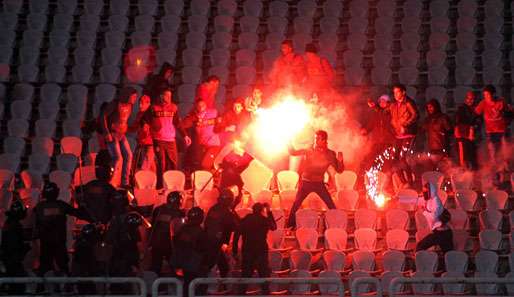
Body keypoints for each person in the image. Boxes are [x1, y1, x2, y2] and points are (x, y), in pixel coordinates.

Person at [287, 130, 344, 228]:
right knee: (296, 204)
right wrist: (288, 141)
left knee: (331, 205)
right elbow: (293, 152)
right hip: (306, 183)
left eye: (317, 139)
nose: (315, 141)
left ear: (324, 140)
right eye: (315, 138)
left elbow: (339, 170)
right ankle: (290, 225)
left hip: (319, 184)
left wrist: (340, 161)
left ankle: (335, 225)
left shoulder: (330, 154)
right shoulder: (309, 150)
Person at [33, 182, 91, 277]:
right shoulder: (61, 205)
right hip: (59, 241)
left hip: (45, 242)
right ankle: (68, 287)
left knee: (44, 267)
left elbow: (36, 225)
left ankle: (40, 288)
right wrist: (82, 206)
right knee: (63, 266)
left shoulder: (39, 207)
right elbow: (79, 214)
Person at [369, 84, 418, 187]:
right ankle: (403, 182)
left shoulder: (409, 103)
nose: (395, 94)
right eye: (394, 92)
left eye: (397, 92)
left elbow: (415, 115)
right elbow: (383, 111)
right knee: (393, 158)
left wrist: (405, 125)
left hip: (407, 134)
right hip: (398, 135)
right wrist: (374, 106)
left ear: (403, 92)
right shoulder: (393, 105)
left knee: (402, 157)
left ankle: (410, 182)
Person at [143, 88, 191, 188]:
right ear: (161, 96)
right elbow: (144, 120)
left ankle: (173, 186)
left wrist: (185, 135)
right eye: (167, 96)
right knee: (161, 164)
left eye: (170, 96)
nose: (169, 98)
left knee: (174, 163)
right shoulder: (153, 108)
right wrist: (146, 127)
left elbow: (178, 123)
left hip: (170, 140)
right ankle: (160, 187)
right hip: (158, 139)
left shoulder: (173, 108)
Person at [233, 203, 277, 295]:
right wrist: (269, 212)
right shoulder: (264, 220)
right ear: (261, 210)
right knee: (264, 278)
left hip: (248, 250)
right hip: (261, 251)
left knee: (245, 277)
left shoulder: (245, 220)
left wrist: (235, 251)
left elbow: (236, 235)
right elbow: (274, 227)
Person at [101, 86, 138, 188]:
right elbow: (103, 116)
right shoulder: (115, 104)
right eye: (133, 97)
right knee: (118, 158)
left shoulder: (130, 106)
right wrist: (106, 132)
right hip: (113, 134)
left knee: (129, 155)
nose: (135, 99)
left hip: (122, 135)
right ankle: (112, 182)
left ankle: (124, 182)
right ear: (127, 96)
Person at [172, 207, 209, 297]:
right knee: (200, 285)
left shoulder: (182, 229)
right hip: (193, 263)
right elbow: (202, 249)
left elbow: (175, 241)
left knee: (187, 285)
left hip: (182, 262)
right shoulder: (199, 232)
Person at [474, 85, 513, 168]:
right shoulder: (483, 103)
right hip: (490, 130)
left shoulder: (501, 102)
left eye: (488, 95)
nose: (487, 97)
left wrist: (507, 118)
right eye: (485, 95)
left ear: (493, 94)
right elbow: (475, 114)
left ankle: (506, 165)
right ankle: (494, 165)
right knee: (492, 149)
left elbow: (510, 112)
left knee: (505, 148)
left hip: (501, 129)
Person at [204, 189, 239, 279]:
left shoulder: (214, 208)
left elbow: (207, 223)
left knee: (218, 265)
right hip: (217, 243)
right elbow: (235, 226)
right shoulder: (226, 212)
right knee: (215, 266)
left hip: (209, 241)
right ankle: (203, 287)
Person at [149, 191, 185, 275]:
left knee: (156, 266)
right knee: (173, 267)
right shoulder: (179, 213)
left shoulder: (158, 209)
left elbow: (152, 227)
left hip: (157, 243)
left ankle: (154, 285)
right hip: (169, 244)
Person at [182, 99, 221, 171]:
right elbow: (183, 124)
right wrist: (193, 117)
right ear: (196, 107)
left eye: (203, 105)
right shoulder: (194, 117)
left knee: (205, 165)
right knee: (198, 165)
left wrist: (208, 122)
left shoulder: (213, 112)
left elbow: (221, 120)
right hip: (202, 146)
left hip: (214, 145)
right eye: (199, 106)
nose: (201, 107)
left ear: (206, 105)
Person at [1, 200, 30, 294]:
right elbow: (12, 246)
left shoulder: (9, 223)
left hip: (8, 259)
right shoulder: (15, 225)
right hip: (12, 260)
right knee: (18, 284)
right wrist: (24, 249)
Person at [214, 141, 254, 209]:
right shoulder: (230, 171)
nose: (237, 154)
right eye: (232, 153)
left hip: (229, 199)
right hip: (229, 199)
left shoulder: (231, 168)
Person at [416, 182, 453, 252]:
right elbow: (415, 200)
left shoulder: (436, 202)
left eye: (425, 191)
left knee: (420, 247)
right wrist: (400, 199)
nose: (424, 193)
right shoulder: (430, 200)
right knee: (448, 254)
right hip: (442, 233)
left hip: (441, 234)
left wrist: (424, 211)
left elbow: (433, 216)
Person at [130, 94, 156, 175]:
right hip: (142, 143)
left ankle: (142, 184)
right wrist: (124, 128)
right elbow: (134, 127)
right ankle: (155, 183)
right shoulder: (139, 114)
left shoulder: (153, 115)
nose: (140, 105)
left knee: (145, 167)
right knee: (151, 166)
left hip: (151, 144)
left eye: (142, 103)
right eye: (139, 103)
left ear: (148, 104)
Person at [423, 99, 452, 170]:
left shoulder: (443, 117)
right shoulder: (428, 120)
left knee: (444, 167)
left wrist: (443, 133)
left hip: (442, 146)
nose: (429, 109)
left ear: (436, 107)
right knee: (433, 168)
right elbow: (423, 130)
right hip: (431, 148)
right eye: (428, 107)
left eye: (431, 107)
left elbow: (450, 130)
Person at [454, 91, 480, 170]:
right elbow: (459, 122)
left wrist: (473, 128)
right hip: (463, 137)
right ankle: (464, 175)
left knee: (472, 158)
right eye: (469, 99)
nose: (471, 101)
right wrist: (470, 128)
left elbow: (477, 122)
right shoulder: (461, 109)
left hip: (471, 139)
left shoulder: (475, 110)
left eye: (472, 99)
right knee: (464, 159)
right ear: (466, 99)